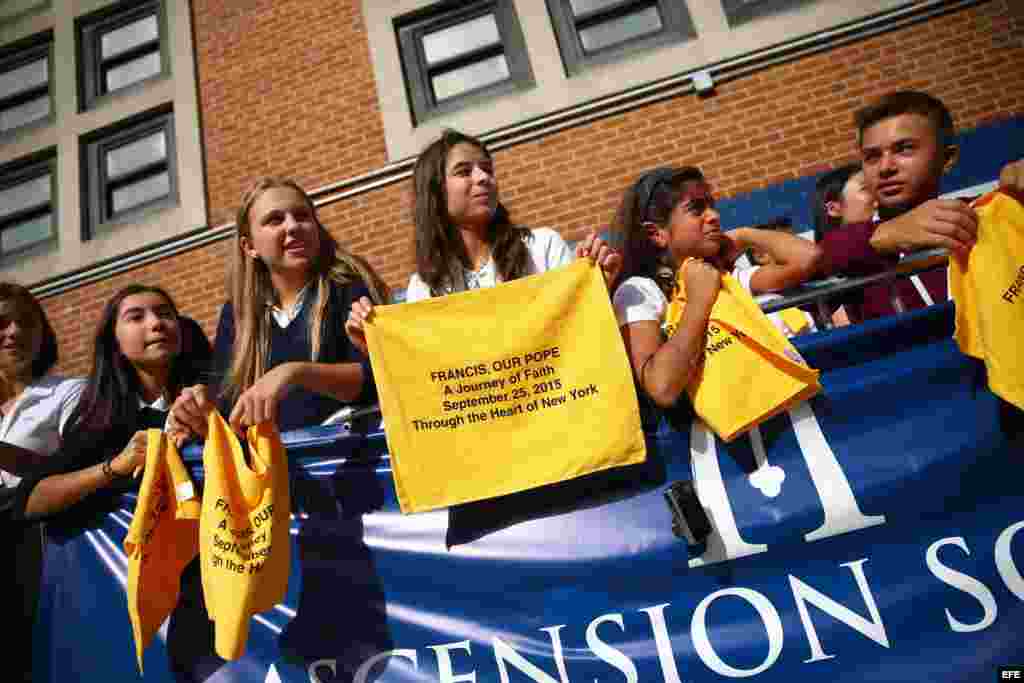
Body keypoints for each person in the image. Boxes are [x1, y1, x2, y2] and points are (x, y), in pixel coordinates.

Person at [6, 284, 211, 680]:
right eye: (136, 317)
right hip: (128, 613)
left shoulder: (217, 393)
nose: (155, 324)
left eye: (165, 313)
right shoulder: (98, 420)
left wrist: (214, 427)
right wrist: (116, 466)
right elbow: (30, 500)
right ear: (114, 342)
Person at [345, 129, 620, 348]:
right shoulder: (424, 288)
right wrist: (375, 344)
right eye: (464, 171)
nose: (483, 178)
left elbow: (580, 330)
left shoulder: (542, 246)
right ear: (436, 192)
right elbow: (428, 371)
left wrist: (599, 288)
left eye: (487, 169)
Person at [168, 177, 388, 442]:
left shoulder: (347, 284)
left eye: (302, 215)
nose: (293, 226)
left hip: (349, 459)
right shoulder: (237, 314)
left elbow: (374, 378)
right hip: (273, 472)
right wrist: (194, 413)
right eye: (275, 220)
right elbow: (228, 413)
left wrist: (293, 373)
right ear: (249, 247)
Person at [820, 90, 1024, 322]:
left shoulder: (990, 213)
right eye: (872, 156)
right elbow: (813, 263)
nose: (885, 167)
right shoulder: (848, 248)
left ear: (947, 158)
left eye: (904, 148)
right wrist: (882, 235)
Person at [0, 283, 85, 683]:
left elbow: (74, 466)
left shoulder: (69, 392)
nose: (14, 332)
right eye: (2, 323)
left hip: (37, 556)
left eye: (26, 323)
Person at [610, 166, 725, 414]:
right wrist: (697, 302)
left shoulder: (720, 271)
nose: (713, 215)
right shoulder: (638, 291)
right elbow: (661, 387)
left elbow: (808, 258)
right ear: (657, 233)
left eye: (712, 205)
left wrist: (746, 236)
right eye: (696, 209)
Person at [725, 218, 824, 336]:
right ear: (760, 255)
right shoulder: (744, 286)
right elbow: (807, 257)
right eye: (786, 245)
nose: (797, 247)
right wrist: (744, 234)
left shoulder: (809, 285)